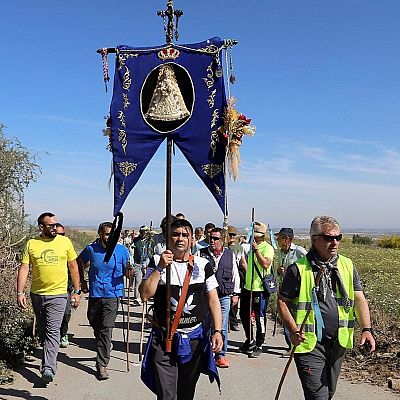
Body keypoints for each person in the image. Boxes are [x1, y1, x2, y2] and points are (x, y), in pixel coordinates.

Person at [277, 216, 376, 400]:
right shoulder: (297, 269)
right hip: (309, 344)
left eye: (338, 237)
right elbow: (282, 301)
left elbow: (359, 297)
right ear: (314, 239)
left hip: (338, 343)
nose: (335, 242)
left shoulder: (347, 265)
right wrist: (293, 329)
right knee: (318, 397)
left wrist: (367, 329)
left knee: (328, 393)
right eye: (329, 238)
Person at [139, 218, 223, 400]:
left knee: (186, 392)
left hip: (193, 341)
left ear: (192, 239)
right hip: (164, 340)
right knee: (167, 394)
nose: (180, 239)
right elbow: (145, 294)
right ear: (168, 238)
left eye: (185, 235)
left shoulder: (203, 265)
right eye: (175, 234)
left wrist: (217, 331)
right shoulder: (156, 262)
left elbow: (214, 301)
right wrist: (161, 267)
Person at [17, 212, 82, 383]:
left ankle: (48, 367)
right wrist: (19, 292)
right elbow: (24, 268)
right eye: (50, 225)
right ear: (41, 227)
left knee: (53, 331)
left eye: (56, 225)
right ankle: (47, 359)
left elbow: (74, 267)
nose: (54, 228)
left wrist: (77, 291)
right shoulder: (32, 244)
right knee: (44, 330)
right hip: (37, 294)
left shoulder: (64, 242)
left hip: (59, 294)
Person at [78, 221, 132, 380]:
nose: (110, 237)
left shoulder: (122, 251)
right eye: (108, 234)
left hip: (113, 295)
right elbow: (79, 262)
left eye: (113, 234)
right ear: (100, 234)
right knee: (94, 322)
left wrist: (129, 272)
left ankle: (102, 364)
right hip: (95, 294)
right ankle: (105, 344)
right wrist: (82, 281)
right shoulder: (91, 249)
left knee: (106, 328)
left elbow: (128, 274)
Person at [199, 227, 240, 368]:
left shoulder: (229, 254)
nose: (212, 240)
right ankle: (205, 354)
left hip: (224, 296)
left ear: (222, 240)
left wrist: (236, 293)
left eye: (216, 238)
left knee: (221, 326)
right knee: (206, 325)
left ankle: (220, 355)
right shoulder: (201, 253)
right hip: (206, 296)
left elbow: (235, 274)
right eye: (211, 237)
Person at [239, 221, 274, 358]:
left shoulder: (267, 248)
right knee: (244, 315)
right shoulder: (250, 248)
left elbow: (266, 264)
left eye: (255, 235)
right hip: (248, 287)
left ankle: (259, 344)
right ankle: (250, 339)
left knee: (259, 317)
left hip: (260, 289)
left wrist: (257, 251)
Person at [275, 227, 307, 354]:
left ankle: (297, 344)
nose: (277, 240)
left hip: (297, 292)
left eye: (279, 238)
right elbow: (278, 272)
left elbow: (309, 266)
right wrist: (279, 271)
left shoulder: (299, 251)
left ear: (286, 239)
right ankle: (291, 345)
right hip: (285, 290)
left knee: (296, 317)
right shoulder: (281, 253)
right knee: (286, 317)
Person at [54, 223, 73, 348]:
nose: (60, 237)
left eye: (63, 234)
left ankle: (63, 333)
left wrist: (77, 289)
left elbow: (76, 267)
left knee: (65, 313)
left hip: (65, 288)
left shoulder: (67, 247)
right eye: (58, 234)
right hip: (48, 289)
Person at [227, 225, 247, 332]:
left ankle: (233, 321)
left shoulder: (239, 248)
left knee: (234, 299)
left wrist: (248, 276)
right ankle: (229, 322)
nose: (232, 237)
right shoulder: (224, 247)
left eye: (233, 235)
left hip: (236, 275)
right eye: (230, 235)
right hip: (225, 276)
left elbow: (243, 263)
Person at [132, 225, 152, 305]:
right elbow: (132, 251)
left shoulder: (149, 241)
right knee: (138, 281)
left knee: (146, 281)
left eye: (145, 232)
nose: (144, 233)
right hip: (137, 263)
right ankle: (137, 298)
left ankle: (145, 296)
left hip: (147, 264)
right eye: (142, 232)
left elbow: (150, 253)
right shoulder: (136, 240)